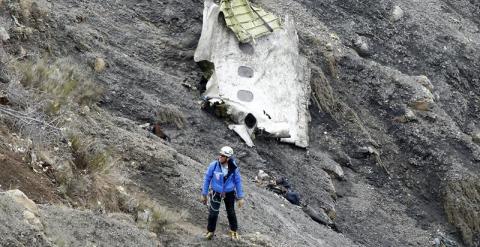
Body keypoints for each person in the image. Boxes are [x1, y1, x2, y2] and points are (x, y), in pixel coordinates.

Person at [201, 146, 245, 240]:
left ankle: (233, 231)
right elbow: (207, 178)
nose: (220, 157)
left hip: (229, 193)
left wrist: (240, 197)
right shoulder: (214, 165)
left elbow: (238, 181)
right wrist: (204, 194)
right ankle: (210, 231)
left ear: (228, 158)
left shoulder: (233, 168)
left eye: (223, 155)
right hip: (216, 192)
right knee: (213, 213)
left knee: (231, 212)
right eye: (220, 154)